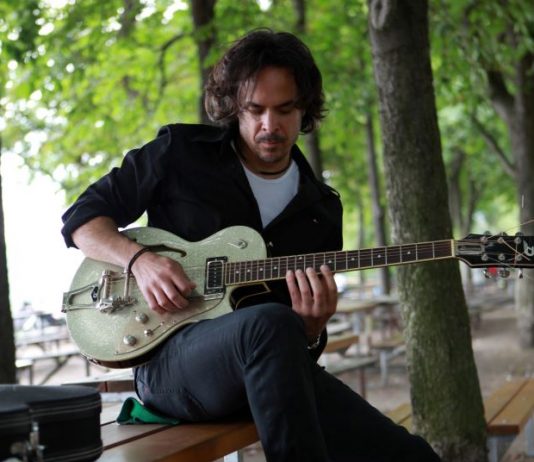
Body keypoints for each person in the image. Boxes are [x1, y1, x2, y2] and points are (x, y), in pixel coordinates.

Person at [61, 29, 440, 462]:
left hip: (271, 370)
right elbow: (81, 220)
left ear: (305, 109)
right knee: (270, 323)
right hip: (170, 367)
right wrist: (140, 260)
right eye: (255, 110)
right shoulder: (180, 153)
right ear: (233, 107)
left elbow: (300, 344)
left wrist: (312, 329)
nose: (270, 126)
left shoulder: (321, 209)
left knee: (413, 457)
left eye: (285, 109)